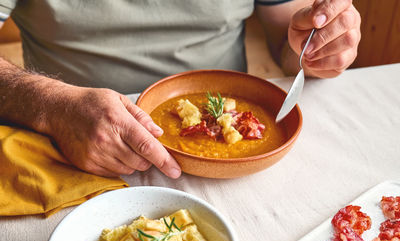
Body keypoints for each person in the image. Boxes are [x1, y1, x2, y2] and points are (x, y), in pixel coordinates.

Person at [0, 0, 361, 178]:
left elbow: (288, 35)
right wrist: (53, 105)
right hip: (74, 147)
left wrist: (318, 46)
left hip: (235, 167)